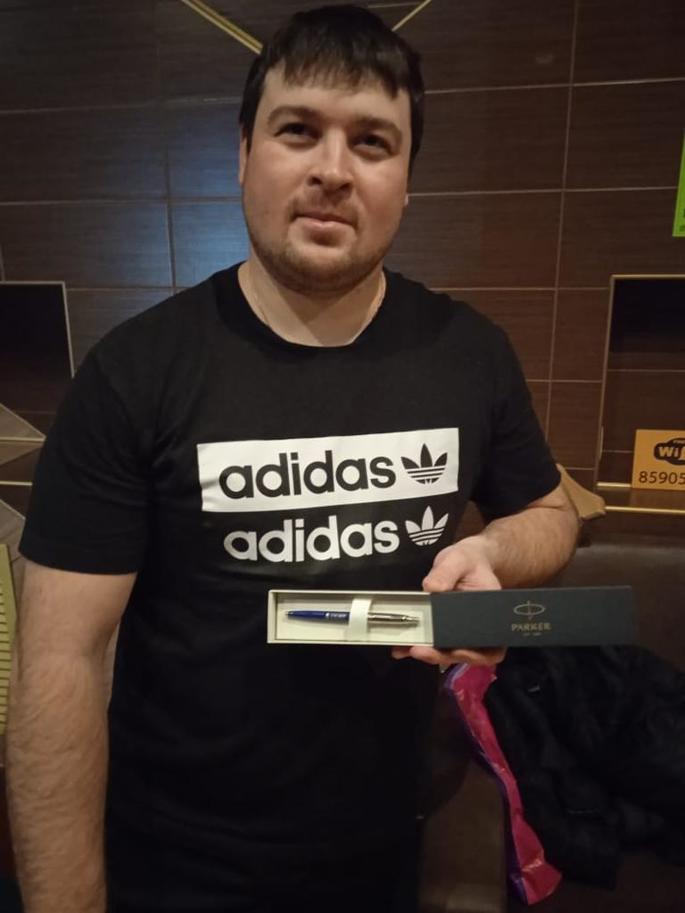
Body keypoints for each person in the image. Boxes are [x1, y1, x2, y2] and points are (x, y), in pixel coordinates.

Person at [6, 6, 579, 913]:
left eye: (373, 141)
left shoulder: (469, 352)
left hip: (384, 845)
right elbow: (60, 666)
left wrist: (494, 555)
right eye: (298, 130)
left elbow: (550, 513)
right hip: (176, 861)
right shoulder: (134, 373)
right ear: (244, 154)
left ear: (406, 180)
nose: (332, 170)